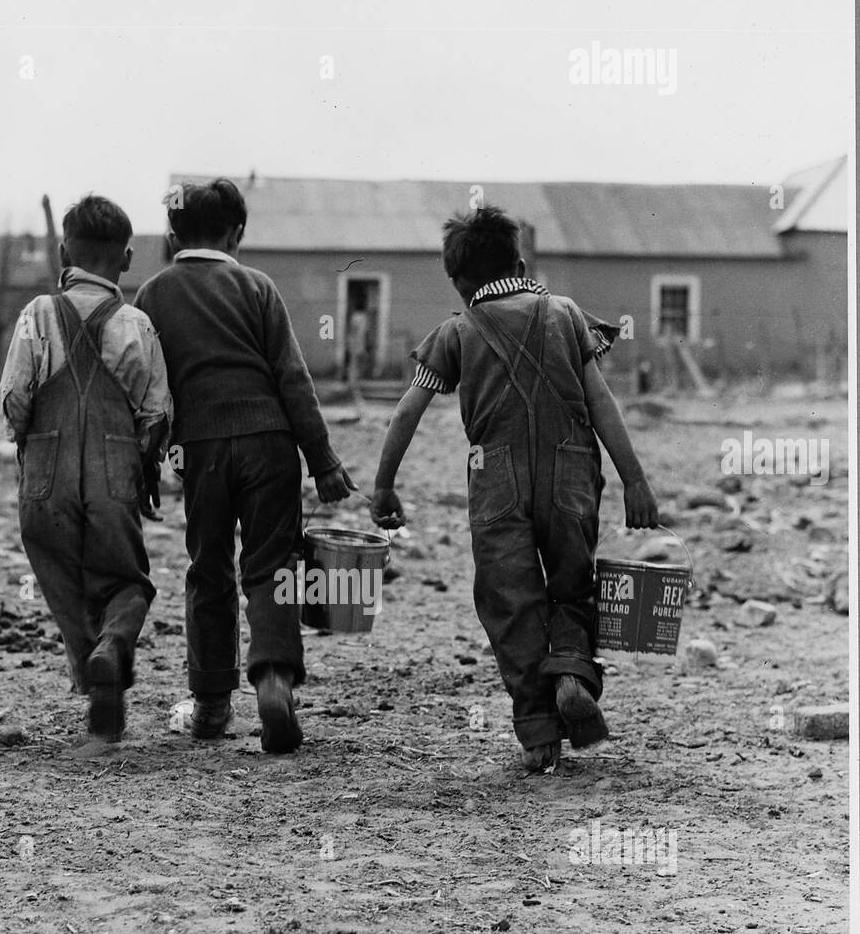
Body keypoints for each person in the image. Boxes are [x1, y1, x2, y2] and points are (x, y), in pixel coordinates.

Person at [369, 205, 659, 772]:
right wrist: (636, 480)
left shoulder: (456, 332)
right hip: (572, 470)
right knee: (573, 585)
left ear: (457, 280)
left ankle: (537, 727)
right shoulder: (568, 316)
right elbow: (601, 402)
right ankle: (573, 673)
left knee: (510, 601)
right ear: (521, 263)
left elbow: (406, 414)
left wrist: (384, 488)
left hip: (495, 477)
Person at [134, 178, 352, 752]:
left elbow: (148, 390)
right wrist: (323, 459)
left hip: (200, 451)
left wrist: (145, 461)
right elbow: (292, 378)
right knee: (272, 565)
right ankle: (275, 680)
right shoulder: (257, 287)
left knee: (209, 568)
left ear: (173, 234)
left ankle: (209, 705)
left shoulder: (153, 295)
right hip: (271, 444)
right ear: (237, 234)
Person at [0, 194, 172, 741]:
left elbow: (15, 398)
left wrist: (30, 448)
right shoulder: (137, 325)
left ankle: (95, 675)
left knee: (61, 578)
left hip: (45, 477)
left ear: (61, 252)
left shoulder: (36, 315)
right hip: (114, 472)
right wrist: (144, 466)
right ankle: (113, 646)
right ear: (125, 258)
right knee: (126, 581)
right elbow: (156, 415)